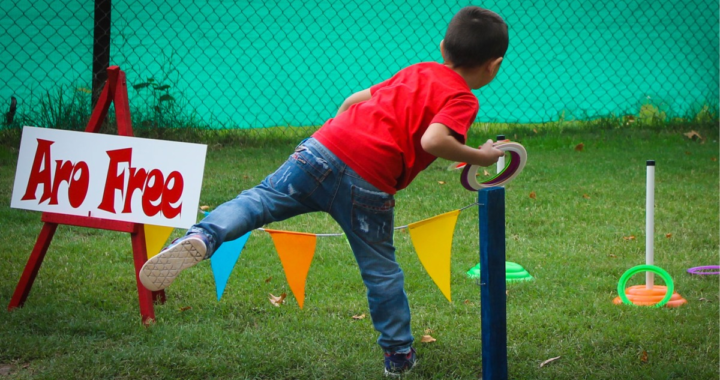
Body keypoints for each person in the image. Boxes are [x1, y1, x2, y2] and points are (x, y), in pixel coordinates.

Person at [139, 6, 508, 377]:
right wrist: (482, 155)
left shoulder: (419, 70)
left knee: (258, 201)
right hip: (369, 183)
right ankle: (398, 355)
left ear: (443, 48)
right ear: (494, 66)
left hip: (321, 149)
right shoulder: (463, 98)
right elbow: (433, 139)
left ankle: (203, 235)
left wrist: (335, 145)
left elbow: (352, 101)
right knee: (380, 272)